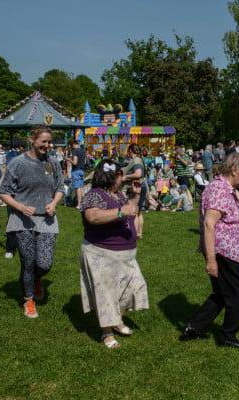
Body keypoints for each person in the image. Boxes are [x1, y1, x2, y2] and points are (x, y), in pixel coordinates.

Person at [180, 152, 239, 348]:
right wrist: (211, 260)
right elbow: (209, 225)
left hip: (226, 249)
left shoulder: (221, 186)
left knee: (222, 292)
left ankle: (195, 326)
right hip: (223, 251)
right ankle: (228, 335)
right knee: (236, 294)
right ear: (234, 170)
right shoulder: (220, 190)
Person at [79, 159, 149, 348]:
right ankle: (107, 333)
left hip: (126, 253)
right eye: (120, 174)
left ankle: (117, 320)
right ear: (112, 176)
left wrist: (134, 197)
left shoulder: (118, 195)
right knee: (107, 295)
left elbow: (130, 212)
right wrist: (120, 211)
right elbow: (92, 216)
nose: (123, 177)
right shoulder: (94, 195)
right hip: (102, 253)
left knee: (134, 287)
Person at [0, 125, 64, 318]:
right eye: (43, 141)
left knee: (44, 264)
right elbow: (3, 192)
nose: (47, 145)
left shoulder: (53, 162)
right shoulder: (18, 163)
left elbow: (60, 187)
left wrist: (54, 202)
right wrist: (20, 207)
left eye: (49, 141)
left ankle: (36, 279)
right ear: (32, 140)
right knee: (28, 261)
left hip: (47, 219)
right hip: (22, 220)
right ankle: (28, 300)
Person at [121, 144, 146, 238]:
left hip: (137, 186)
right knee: (139, 211)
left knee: (134, 211)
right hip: (142, 185)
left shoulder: (136, 160)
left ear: (131, 151)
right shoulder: (140, 159)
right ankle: (139, 233)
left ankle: (134, 234)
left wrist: (126, 176)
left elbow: (138, 174)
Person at [68, 140, 87, 209]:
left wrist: (69, 159)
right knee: (81, 187)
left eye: (71, 146)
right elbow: (85, 161)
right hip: (82, 170)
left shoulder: (75, 151)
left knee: (78, 188)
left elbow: (75, 162)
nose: (71, 147)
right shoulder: (83, 150)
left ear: (73, 144)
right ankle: (84, 203)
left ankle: (79, 205)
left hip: (76, 170)